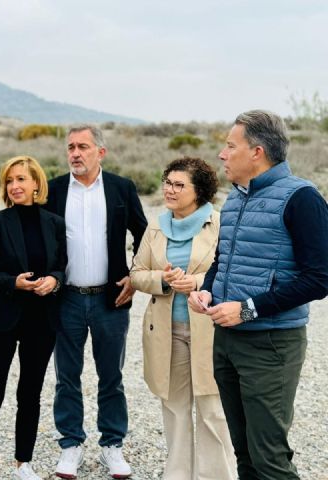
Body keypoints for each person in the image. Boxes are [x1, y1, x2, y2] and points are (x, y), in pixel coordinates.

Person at [189, 110, 328, 479]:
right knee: (245, 454)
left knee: (270, 459)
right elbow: (223, 260)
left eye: (230, 146)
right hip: (227, 341)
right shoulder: (234, 199)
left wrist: (247, 310)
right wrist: (206, 291)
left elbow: (320, 278)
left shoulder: (302, 198)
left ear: (257, 152)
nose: (222, 154)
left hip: (272, 346)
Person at [44, 125, 147, 479]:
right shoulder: (54, 189)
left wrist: (135, 276)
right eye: (70, 147)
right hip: (66, 299)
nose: (75, 153)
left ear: (100, 152)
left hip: (110, 298)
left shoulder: (122, 188)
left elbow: (144, 234)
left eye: (83, 146)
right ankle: (71, 443)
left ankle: (112, 445)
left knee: (111, 376)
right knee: (66, 377)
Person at [130, 157, 235, 479]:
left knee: (213, 410)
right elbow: (136, 274)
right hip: (167, 331)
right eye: (167, 182)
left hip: (210, 331)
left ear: (199, 191)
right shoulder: (156, 225)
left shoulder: (220, 223)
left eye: (179, 185)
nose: (169, 189)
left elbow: (229, 272)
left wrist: (197, 283)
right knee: (174, 408)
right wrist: (163, 280)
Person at [0, 156, 67, 480]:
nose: (15, 186)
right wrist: (13, 282)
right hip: (1, 320)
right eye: (10, 181)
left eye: (21, 179)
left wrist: (54, 280)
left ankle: (24, 464)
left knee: (30, 393)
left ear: (36, 183)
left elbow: (61, 266)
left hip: (42, 320)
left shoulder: (54, 223)